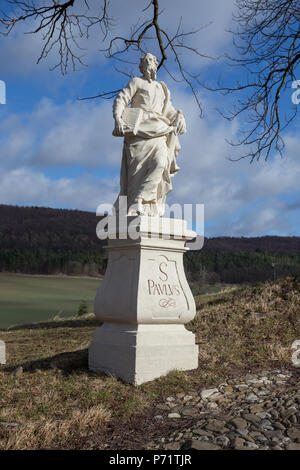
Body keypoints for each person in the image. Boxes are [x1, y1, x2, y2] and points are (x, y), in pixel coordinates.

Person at [113, 53, 186, 216]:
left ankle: (141, 199)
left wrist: (179, 117)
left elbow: (169, 111)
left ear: (155, 65)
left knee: (160, 163)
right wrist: (118, 118)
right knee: (136, 174)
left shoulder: (162, 88)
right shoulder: (136, 82)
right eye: (145, 62)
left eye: (151, 61)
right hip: (139, 132)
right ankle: (135, 204)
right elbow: (121, 99)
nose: (149, 64)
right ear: (141, 66)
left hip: (160, 131)